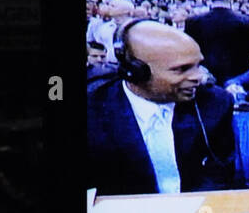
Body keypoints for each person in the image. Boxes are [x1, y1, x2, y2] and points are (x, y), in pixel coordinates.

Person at [87, 21, 236, 196]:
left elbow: (221, 174)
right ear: (135, 72)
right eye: (181, 69)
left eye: (198, 65)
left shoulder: (215, 103)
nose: (199, 77)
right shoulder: (94, 109)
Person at [184, 0, 249, 87]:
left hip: (204, 74)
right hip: (237, 75)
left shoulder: (193, 21)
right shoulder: (246, 21)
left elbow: (188, 48)